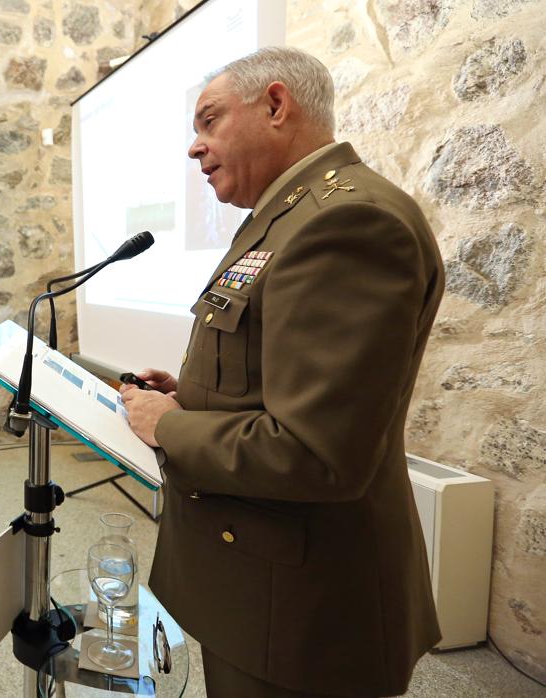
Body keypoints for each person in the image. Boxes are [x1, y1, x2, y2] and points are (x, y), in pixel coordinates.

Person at [119, 48, 442, 697]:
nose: (194, 147)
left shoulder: (345, 222)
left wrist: (168, 427)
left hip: (298, 604)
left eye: (208, 122)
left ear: (274, 105)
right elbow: (280, 373)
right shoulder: (286, 216)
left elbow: (314, 452)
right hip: (254, 574)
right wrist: (193, 395)